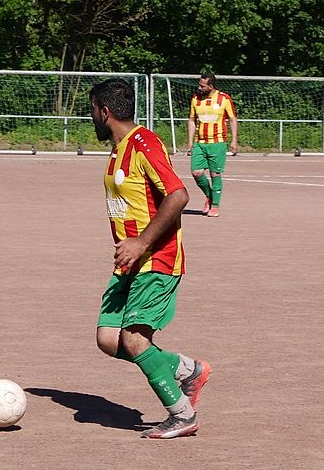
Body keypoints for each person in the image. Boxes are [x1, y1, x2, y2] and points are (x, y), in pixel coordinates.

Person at [90, 78, 211, 439]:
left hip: (156, 259)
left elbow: (178, 195)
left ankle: (182, 414)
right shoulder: (120, 148)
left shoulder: (145, 143)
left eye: (92, 110)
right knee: (108, 338)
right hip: (129, 265)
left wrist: (141, 242)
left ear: (105, 112)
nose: (91, 117)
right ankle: (187, 370)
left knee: (134, 339)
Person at [186, 73, 238, 217]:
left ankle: (215, 205)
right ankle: (210, 196)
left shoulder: (224, 98)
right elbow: (192, 120)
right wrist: (190, 141)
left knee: (215, 174)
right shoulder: (195, 99)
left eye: (202, 86)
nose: (199, 88)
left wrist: (234, 140)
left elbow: (232, 119)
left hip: (217, 143)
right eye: (199, 85)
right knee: (196, 172)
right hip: (200, 143)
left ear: (211, 86)